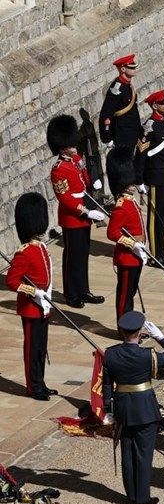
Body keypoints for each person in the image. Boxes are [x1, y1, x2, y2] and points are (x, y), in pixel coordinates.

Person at [102, 312, 164, 504]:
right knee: (144, 454)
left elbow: (106, 385)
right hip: (145, 407)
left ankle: (131, 495)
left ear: (121, 331)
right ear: (140, 332)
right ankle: (142, 498)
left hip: (122, 408)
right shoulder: (147, 355)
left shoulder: (110, 353)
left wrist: (107, 409)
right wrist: (161, 337)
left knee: (127, 452)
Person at [48, 114, 105, 309]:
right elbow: (64, 198)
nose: (74, 146)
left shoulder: (76, 159)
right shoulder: (58, 169)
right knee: (73, 256)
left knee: (83, 254)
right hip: (72, 217)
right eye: (70, 144)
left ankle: (84, 290)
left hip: (83, 212)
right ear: (62, 146)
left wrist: (93, 181)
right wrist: (86, 212)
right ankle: (72, 294)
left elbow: (84, 176)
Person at [6, 193, 56, 400]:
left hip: (42, 306)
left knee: (41, 349)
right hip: (31, 307)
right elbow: (12, 281)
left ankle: (40, 382)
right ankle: (32, 386)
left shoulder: (42, 247)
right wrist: (33, 292)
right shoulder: (24, 252)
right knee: (32, 349)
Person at [105, 147, 149, 321]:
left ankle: (130, 326)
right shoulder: (121, 206)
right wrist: (132, 244)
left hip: (137, 255)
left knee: (130, 293)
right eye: (130, 184)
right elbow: (112, 233)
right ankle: (124, 329)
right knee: (124, 297)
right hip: (127, 257)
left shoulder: (130, 202)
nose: (133, 186)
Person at [139, 90, 164, 269]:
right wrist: (140, 180)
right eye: (163, 103)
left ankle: (161, 253)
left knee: (163, 215)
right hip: (154, 176)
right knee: (155, 218)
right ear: (155, 106)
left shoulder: (163, 122)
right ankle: (155, 255)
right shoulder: (149, 126)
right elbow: (140, 155)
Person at [99, 55, 144, 176]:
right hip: (122, 132)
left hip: (132, 131)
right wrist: (107, 138)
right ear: (123, 69)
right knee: (124, 165)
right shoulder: (116, 89)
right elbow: (106, 114)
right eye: (131, 67)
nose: (135, 69)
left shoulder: (128, 85)